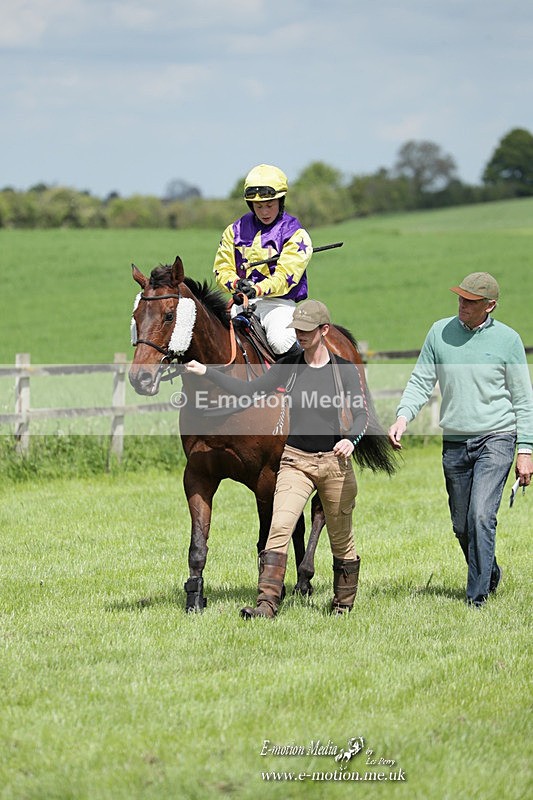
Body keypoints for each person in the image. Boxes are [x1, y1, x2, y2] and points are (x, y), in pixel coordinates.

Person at [185, 299, 368, 618]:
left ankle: (343, 603)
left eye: (307, 330)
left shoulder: (344, 370)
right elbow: (248, 391)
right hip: (295, 462)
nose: (300, 335)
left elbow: (362, 415)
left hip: (333, 464)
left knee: (341, 540)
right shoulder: (289, 365)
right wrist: (207, 372)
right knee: (279, 529)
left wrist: (350, 441)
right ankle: (266, 605)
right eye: (297, 329)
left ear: (324, 330)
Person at [388, 272, 533, 607]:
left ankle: (476, 598)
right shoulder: (439, 332)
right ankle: (489, 573)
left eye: (471, 301)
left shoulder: (508, 340)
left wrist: (525, 449)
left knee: (481, 516)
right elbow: (421, 380)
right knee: (462, 525)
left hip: (497, 438)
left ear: (489, 306)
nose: (462, 305)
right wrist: (403, 417)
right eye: (461, 298)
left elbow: (523, 399)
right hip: (454, 442)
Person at [213, 163, 312, 358]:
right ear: (251, 205)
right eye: (259, 206)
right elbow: (222, 269)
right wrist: (236, 283)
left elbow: (284, 278)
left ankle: (301, 374)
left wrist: (257, 289)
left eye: (269, 205)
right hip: (241, 302)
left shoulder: (295, 234)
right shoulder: (234, 231)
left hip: (278, 304)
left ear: (280, 201)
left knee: (280, 341)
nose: (265, 212)